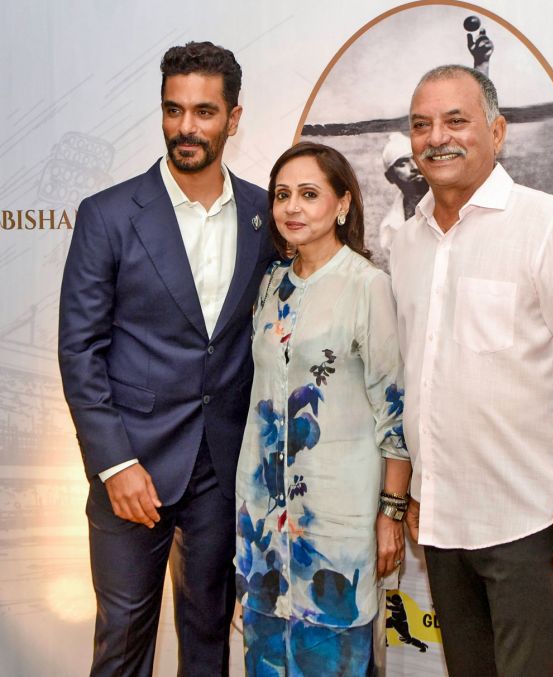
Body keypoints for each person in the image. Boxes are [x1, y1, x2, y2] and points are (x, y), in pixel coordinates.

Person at [390, 64, 553, 676]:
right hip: (440, 525)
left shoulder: (546, 224)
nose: (437, 137)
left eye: (456, 121)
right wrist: (415, 490)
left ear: (497, 131)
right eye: (421, 124)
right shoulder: (405, 243)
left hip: (529, 522)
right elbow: (420, 377)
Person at [58, 41, 274, 676]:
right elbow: (80, 350)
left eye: (205, 112)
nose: (187, 127)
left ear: (233, 118)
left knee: (209, 636)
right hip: (133, 467)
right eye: (174, 110)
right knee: (123, 639)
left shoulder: (267, 214)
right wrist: (114, 463)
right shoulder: (108, 215)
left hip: (222, 468)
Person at [235, 141, 411, 675]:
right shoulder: (268, 286)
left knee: (332, 658)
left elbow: (394, 411)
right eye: (283, 195)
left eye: (309, 194)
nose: (292, 207)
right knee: (265, 655)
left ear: (342, 204)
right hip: (262, 517)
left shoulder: (368, 287)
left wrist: (391, 514)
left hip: (337, 522)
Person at [378, 132, 428, 258]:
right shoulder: (390, 227)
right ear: (390, 177)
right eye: (402, 163)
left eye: (417, 157)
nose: (415, 167)